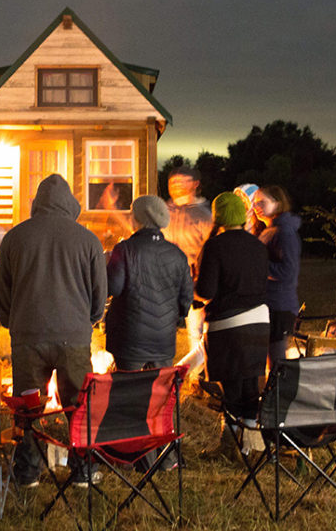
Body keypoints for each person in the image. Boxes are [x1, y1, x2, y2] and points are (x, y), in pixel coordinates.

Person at [0, 174, 107, 488]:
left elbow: (1, 290)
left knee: (28, 406)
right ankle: (83, 468)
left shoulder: (15, 238)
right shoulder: (87, 240)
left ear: (36, 204)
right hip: (73, 336)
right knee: (78, 404)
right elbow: (100, 293)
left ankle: (28, 471)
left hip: (27, 336)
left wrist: (11, 320)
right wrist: (89, 321)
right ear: (70, 204)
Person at [195, 192, 269, 459]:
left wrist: (193, 288)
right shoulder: (258, 246)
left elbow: (206, 290)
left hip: (229, 325)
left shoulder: (215, 247)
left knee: (231, 388)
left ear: (219, 217)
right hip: (260, 322)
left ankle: (228, 446)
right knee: (251, 384)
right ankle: (249, 444)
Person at [105, 195, 192, 371]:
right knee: (158, 391)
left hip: (129, 336)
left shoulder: (124, 249)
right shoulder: (177, 253)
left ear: (139, 218)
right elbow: (185, 299)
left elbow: (113, 287)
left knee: (130, 389)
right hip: (163, 338)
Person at [161, 166, 214, 373]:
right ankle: (161, 372)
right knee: (163, 328)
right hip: (166, 281)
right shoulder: (165, 211)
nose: (177, 186)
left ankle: (194, 376)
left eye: (183, 181)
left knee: (196, 330)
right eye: (173, 182)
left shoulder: (203, 215)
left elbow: (210, 249)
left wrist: (202, 277)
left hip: (194, 282)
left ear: (195, 184)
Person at [251, 185, 302, 368]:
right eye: (255, 202)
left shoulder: (284, 232)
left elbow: (288, 272)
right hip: (268, 304)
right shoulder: (268, 230)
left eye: (263, 202)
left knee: (276, 362)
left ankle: (279, 395)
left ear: (278, 203)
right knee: (266, 360)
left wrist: (258, 266)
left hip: (279, 306)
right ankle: (267, 394)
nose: (257, 206)